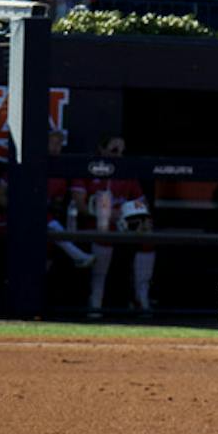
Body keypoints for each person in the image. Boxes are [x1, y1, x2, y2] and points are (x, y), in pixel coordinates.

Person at [79, 133, 154, 317]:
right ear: (102, 150)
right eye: (114, 150)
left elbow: (140, 205)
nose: (119, 155)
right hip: (94, 225)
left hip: (121, 225)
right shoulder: (89, 169)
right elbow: (80, 206)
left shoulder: (126, 174)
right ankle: (95, 301)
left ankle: (140, 298)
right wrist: (105, 213)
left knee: (147, 236)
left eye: (122, 151)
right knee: (104, 239)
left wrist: (139, 221)